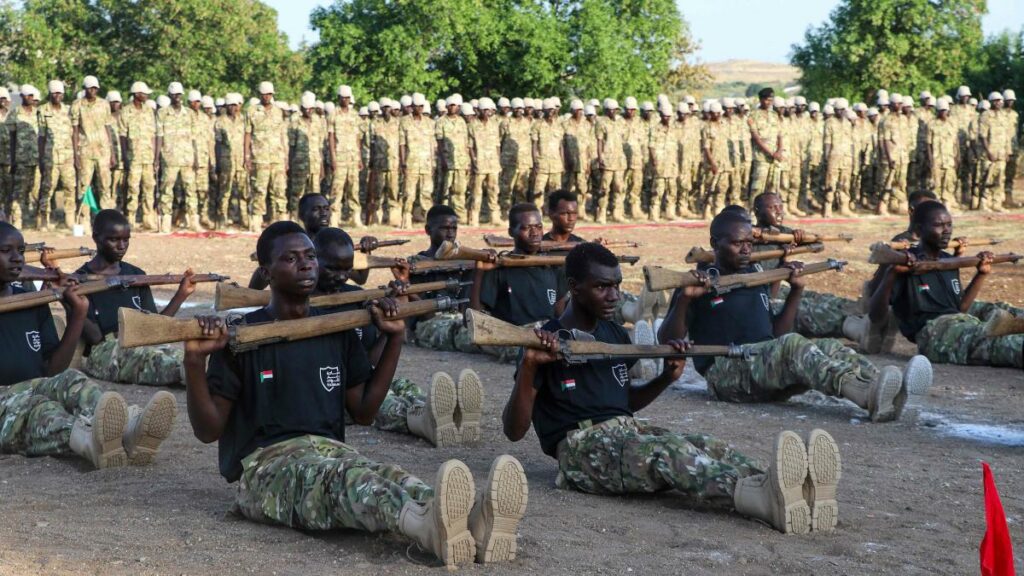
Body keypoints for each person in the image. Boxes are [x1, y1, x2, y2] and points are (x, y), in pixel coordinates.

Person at [182, 221, 528, 569]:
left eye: (310, 256)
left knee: (391, 475)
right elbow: (207, 430)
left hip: (332, 452)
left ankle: (473, 524)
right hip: (266, 469)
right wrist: (195, 361)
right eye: (290, 258)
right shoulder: (242, 339)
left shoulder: (336, 330)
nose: (306, 265)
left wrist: (394, 338)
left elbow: (363, 411)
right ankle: (426, 528)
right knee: (349, 482)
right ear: (265, 272)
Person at [503, 242, 843, 535]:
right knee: (667, 454)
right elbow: (514, 430)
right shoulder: (542, 340)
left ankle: (786, 486)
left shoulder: (614, 335)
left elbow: (622, 404)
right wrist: (530, 368)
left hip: (624, 431)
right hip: (579, 451)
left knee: (704, 445)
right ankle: (760, 500)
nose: (614, 295)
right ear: (575, 288)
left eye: (617, 285)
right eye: (602, 286)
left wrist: (665, 378)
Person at [659, 210, 932, 422]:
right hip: (727, 374)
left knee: (829, 347)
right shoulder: (700, 280)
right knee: (793, 346)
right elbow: (668, 341)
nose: (746, 250)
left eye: (749, 243)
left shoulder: (757, 275)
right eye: (737, 243)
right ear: (715, 244)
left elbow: (776, 335)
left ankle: (885, 388)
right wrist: (685, 298)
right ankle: (865, 395)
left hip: (762, 363)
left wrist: (795, 291)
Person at [0, 221, 177, 469]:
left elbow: (54, 370)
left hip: (33, 385)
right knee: (39, 409)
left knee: (72, 380)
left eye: (20, 250)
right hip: (6, 402)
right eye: (6, 251)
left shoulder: (32, 299)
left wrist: (78, 312)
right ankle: (90, 442)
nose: (17, 258)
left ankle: (129, 429)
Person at [312, 227, 483, 446]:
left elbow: (371, 360)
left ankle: (455, 416)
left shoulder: (356, 296)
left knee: (406, 387)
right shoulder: (302, 306)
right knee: (387, 403)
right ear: (313, 261)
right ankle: (423, 422)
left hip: (361, 377)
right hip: (336, 390)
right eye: (332, 269)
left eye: (347, 269)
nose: (342, 276)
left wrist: (393, 321)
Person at [866, 200, 1022, 368]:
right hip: (934, 333)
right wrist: (891, 273)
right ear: (919, 230)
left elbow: (960, 307)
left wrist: (981, 274)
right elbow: (876, 316)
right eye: (939, 225)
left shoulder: (948, 261)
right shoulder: (905, 264)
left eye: (949, 224)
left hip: (962, 322)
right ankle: (998, 330)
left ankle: (1006, 326)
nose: (947, 231)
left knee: (1003, 324)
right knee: (1001, 346)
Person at [75, 209, 197, 386]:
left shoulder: (136, 275)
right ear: (96, 237)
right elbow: (94, 338)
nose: (121, 246)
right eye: (114, 239)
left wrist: (181, 294)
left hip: (142, 344)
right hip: (105, 352)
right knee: (161, 363)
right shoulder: (80, 279)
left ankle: (199, 378)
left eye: (126, 240)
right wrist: (70, 302)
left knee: (185, 357)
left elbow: (156, 327)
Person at [470, 203, 561, 362]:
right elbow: (477, 318)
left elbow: (560, 312)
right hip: (516, 335)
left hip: (549, 333)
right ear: (511, 232)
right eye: (527, 228)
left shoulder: (551, 266)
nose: (535, 233)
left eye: (539, 227)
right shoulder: (499, 268)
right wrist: (480, 272)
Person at [407, 205, 476, 353]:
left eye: (454, 229)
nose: (450, 234)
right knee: (473, 337)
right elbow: (423, 313)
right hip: (432, 325)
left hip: (462, 321)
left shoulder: (465, 261)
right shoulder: (417, 264)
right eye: (445, 228)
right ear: (428, 230)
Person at [247, 193, 334, 290]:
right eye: (316, 209)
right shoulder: (289, 244)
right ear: (301, 215)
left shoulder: (337, 245)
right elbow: (263, 273)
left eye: (326, 209)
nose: (323, 213)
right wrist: (251, 295)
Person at [245, 82, 289, 229]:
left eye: (269, 94)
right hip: (260, 158)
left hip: (277, 158)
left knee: (279, 190)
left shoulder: (278, 111)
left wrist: (286, 158)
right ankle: (256, 221)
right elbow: (247, 134)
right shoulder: (251, 111)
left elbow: (283, 136)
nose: (267, 97)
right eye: (264, 94)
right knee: (259, 190)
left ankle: (281, 221)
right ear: (259, 94)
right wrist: (247, 156)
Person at [155, 82, 197, 232]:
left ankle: (193, 220)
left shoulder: (189, 114)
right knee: (167, 189)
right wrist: (156, 159)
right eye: (174, 95)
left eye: (179, 94)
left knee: (191, 189)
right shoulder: (162, 113)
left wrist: (196, 156)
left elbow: (193, 138)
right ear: (169, 96)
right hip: (169, 157)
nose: (177, 97)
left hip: (187, 158)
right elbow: (159, 136)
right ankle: (165, 221)